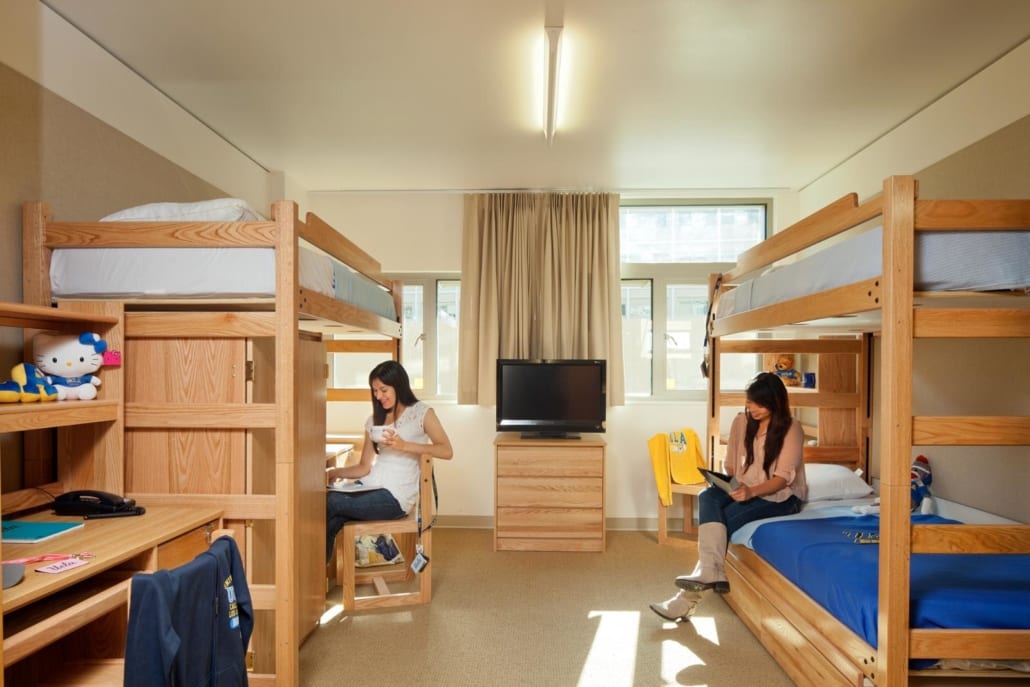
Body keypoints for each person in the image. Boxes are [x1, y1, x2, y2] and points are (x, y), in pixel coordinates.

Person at [650, 371, 807, 622]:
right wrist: (729, 485)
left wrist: (750, 492)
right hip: (745, 487)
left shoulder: (791, 429)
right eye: (750, 402)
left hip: (780, 496)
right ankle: (711, 573)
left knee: (726, 519)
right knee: (707, 496)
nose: (752, 408)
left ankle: (686, 600)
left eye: (759, 404)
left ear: (775, 402)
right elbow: (733, 467)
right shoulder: (741, 422)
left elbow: (781, 480)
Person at [325, 360, 454, 563]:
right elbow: (364, 467)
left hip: (396, 496)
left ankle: (310, 576)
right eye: (375, 391)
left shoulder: (421, 413)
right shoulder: (374, 420)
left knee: (331, 502)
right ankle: (315, 578)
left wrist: (405, 445)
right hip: (370, 485)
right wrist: (334, 472)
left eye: (383, 390)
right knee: (330, 512)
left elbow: (446, 450)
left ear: (398, 385)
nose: (378, 396)